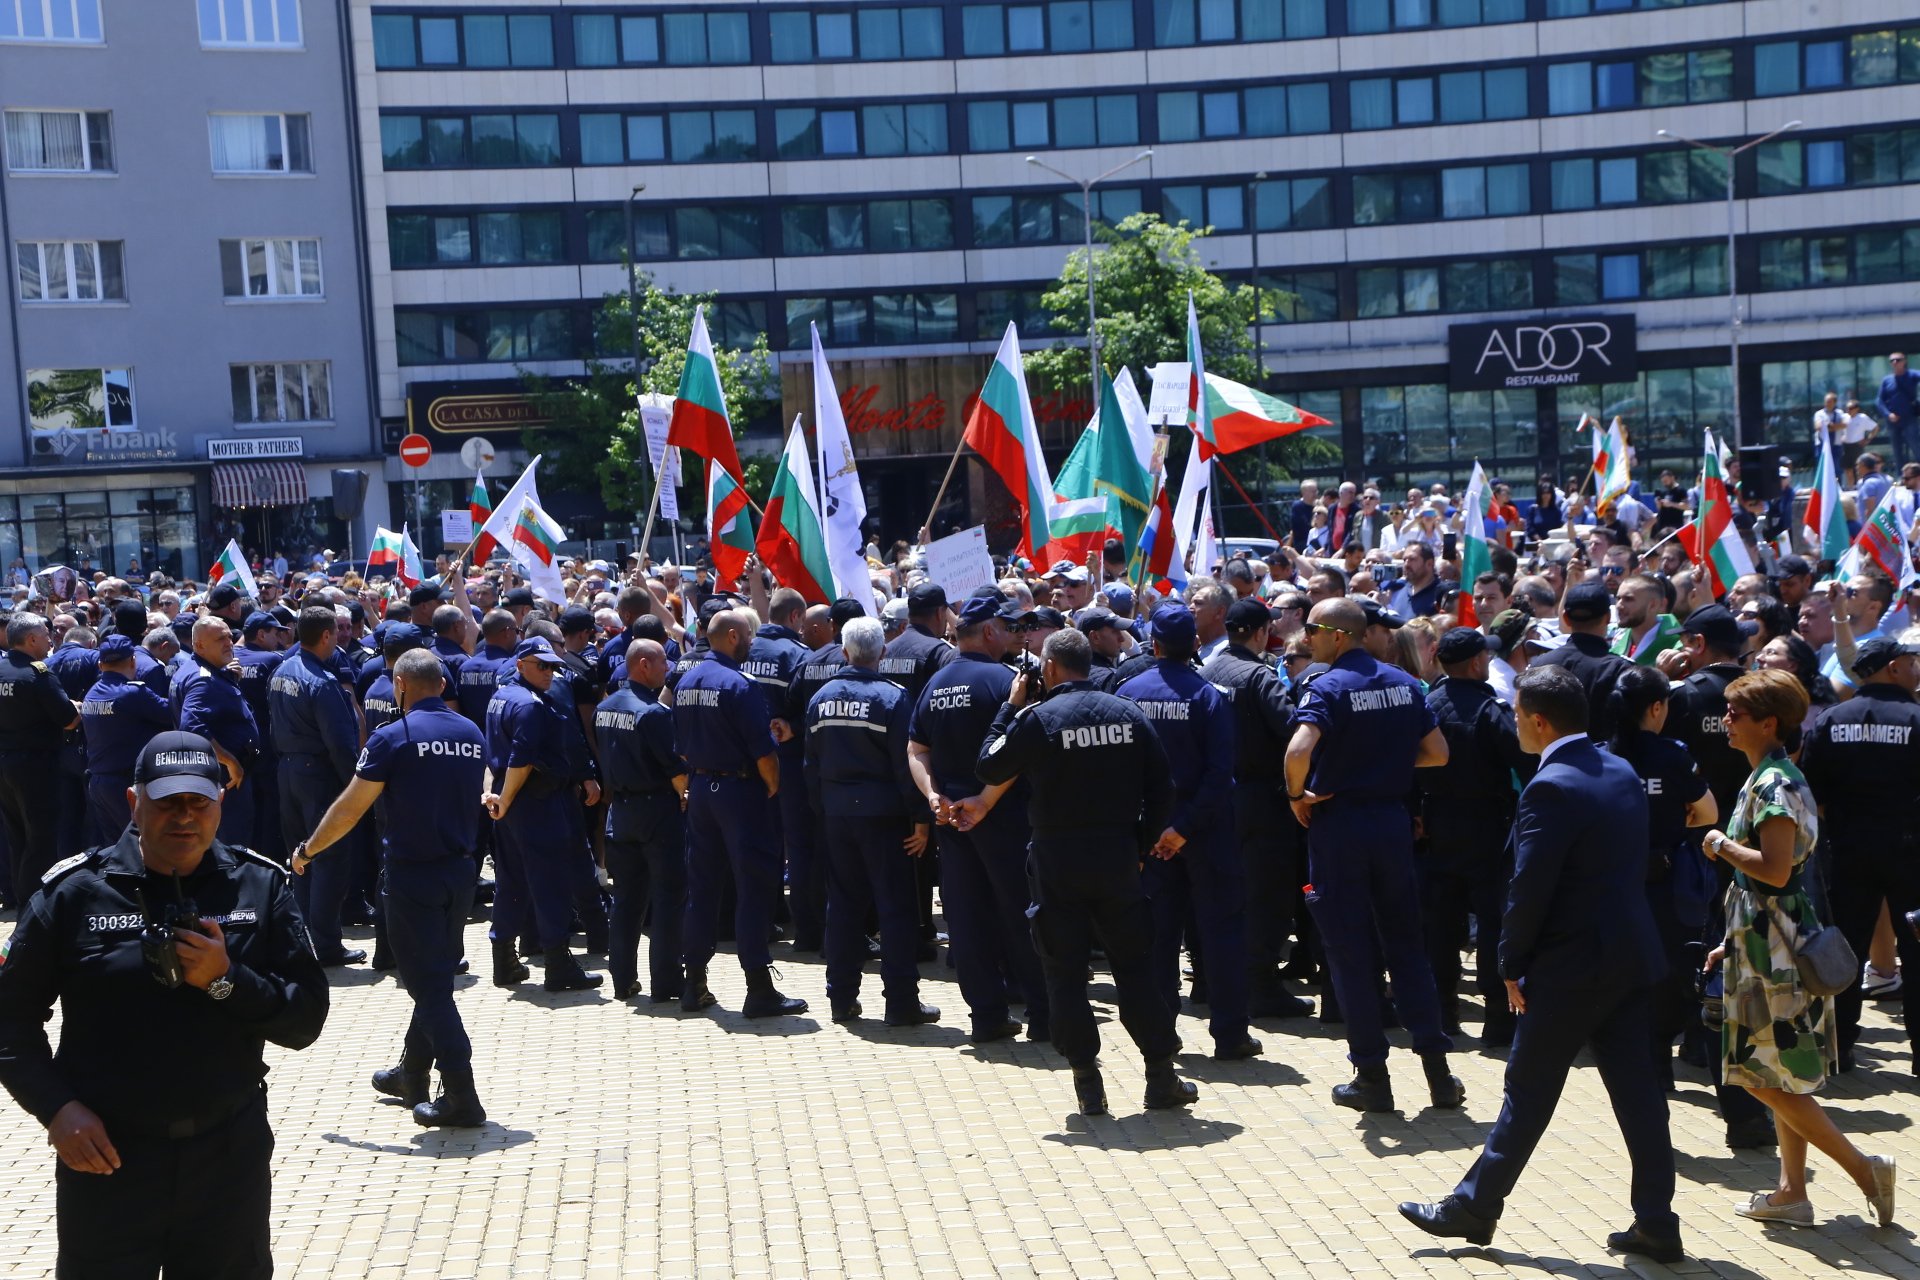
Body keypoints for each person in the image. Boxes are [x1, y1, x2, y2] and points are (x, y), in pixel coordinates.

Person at [0, 731, 328, 1276]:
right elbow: (8, 1020)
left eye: (198, 802)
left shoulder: (258, 887)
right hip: (107, 1160)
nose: (184, 817)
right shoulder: (74, 892)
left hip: (227, 1160)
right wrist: (56, 1110)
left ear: (219, 804)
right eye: (167, 802)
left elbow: (305, 1020)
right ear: (134, 802)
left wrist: (225, 980)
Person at [1398, 666, 1681, 1263]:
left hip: (1570, 965)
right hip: (1629, 957)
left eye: (1518, 713)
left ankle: (1474, 1207)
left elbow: (1530, 886)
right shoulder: (1621, 770)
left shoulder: (1551, 785)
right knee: (1640, 1095)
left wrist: (1509, 962)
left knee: (1527, 1093)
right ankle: (1657, 1220)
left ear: (1538, 720)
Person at [1701, 669, 1897, 1229]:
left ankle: (1864, 1171)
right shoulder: (1768, 775)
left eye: (1738, 713)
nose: (1728, 720)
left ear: (1771, 723)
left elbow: (1776, 870)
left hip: (1775, 954)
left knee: (1764, 1078)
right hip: (1763, 943)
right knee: (1778, 1074)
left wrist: (1720, 843)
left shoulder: (1775, 785)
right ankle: (1792, 1192)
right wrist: (1726, 941)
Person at [976, 626, 1195, 1116]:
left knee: (1064, 972)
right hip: (1118, 858)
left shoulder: (1038, 717)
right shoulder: (1127, 713)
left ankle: (1087, 1084)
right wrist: (1139, 845)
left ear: (1050, 668)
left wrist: (1010, 706)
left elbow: (988, 767)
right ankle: (1161, 1076)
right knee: (1135, 969)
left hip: (1057, 861)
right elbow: (1164, 789)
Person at [293, 649, 489, 1127]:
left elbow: (349, 809)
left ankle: (461, 1094)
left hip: (411, 876)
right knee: (436, 977)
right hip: (460, 873)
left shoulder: (390, 738)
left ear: (400, 686)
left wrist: (308, 850)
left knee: (428, 988)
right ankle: (411, 1072)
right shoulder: (471, 733)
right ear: (441, 685)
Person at [1285, 598, 1462, 1112]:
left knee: (1349, 954)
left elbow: (1298, 751)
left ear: (1338, 637)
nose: (1306, 637)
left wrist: (1296, 795)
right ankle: (1440, 1076)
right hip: (1390, 825)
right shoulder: (1405, 684)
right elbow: (1438, 754)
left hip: (1340, 827)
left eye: (1313, 629)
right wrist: (1383, 764)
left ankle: (1371, 1078)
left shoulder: (1327, 686)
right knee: (1407, 949)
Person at [1115, 603, 1258, 1058]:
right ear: (1196, 644)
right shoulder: (1209, 696)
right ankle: (1230, 1035)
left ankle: (1162, 1034)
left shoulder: (1127, 692)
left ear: (1153, 644)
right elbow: (1221, 776)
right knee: (1222, 934)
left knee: (1157, 938)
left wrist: (1156, 828)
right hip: (1206, 831)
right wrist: (1185, 827)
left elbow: (1118, 772)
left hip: (1150, 834)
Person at [907, 593, 1047, 1043]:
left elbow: (916, 750)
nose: (1014, 636)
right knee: (1022, 914)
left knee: (965, 918)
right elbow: (1022, 751)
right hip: (1000, 818)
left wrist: (934, 797)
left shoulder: (935, 683)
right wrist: (983, 800)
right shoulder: (1006, 682)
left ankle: (986, 1017)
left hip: (952, 819)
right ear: (989, 632)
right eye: (1008, 628)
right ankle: (1043, 1016)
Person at [1797, 635, 1920, 1075]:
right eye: (1911, 661)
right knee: (1917, 946)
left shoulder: (1832, 719)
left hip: (1847, 850)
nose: (1916, 668)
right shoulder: (1917, 719)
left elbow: (1813, 791)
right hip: (1910, 852)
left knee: (1844, 948)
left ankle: (1839, 1047)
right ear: (1892, 667)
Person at [673, 609, 805, 1018]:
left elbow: (679, 746)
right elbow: (764, 753)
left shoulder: (685, 680)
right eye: (747, 635)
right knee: (754, 887)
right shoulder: (739, 684)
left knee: (703, 889)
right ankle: (759, 987)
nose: (751, 642)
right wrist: (771, 784)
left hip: (702, 790)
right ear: (731, 636)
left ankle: (693, 982)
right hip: (739, 792)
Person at [806, 616, 936, 1026]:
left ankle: (841, 999)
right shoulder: (893, 698)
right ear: (883, 653)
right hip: (883, 818)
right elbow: (906, 766)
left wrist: (821, 812)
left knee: (843, 907)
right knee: (895, 909)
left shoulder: (820, 698)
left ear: (844, 652)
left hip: (837, 816)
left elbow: (811, 766)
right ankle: (901, 1002)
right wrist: (920, 820)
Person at [1606, 666, 1718, 1087]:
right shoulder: (1673, 755)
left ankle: (1644, 1070)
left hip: (1615, 886)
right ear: (1656, 708)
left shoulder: (1604, 755)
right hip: (1665, 887)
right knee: (1673, 976)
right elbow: (1708, 814)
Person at [1201, 596, 1313, 1020]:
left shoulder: (1208, 671)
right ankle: (1261, 986)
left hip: (1216, 798)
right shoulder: (1259, 677)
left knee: (1223, 892)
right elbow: (1294, 731)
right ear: (1262, 632)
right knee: (1268, 894)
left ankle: (1215, 981)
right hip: (1261, 802)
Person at [1417, 628, 1527, 1047]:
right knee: (1494, 923)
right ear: (1478, 662)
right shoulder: (1490, 710)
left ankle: (1443, 1014)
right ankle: (1498, 1020)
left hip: (1436, 824)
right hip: (1486, 828)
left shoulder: (1427, 705)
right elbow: (1525, 757)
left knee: (1441, 925)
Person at [482, 637, 603, 993]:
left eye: (552, 666)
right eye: (541, 665)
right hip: (535, 803)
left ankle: (504, 960)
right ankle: (557, 964)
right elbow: (521, 759)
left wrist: (492, 794)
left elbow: (492, 755)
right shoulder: (530, 705)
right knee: (549, 883)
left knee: (512, 882)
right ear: (520, 665)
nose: (550, 672)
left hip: (510, 805)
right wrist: (501, 797)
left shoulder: (500, 697)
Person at [594, 638, 689, 1003]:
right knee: (667, 899)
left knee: (627, 899)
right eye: (664, 662)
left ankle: (622, 979)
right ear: (644, 664)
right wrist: (684, 793)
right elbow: (673, 768)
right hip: (657, 812)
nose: (668, 670)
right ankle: (666, 982)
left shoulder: (606, 707)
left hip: (620, 813)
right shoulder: (654, 713)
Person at [269, 605, 364, 967]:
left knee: (301, 855)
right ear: (325, 635)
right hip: (318, 775)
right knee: (329, 855)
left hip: (288, 770)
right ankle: (326, 944)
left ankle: (304, 935)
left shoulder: (282, 670)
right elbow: (340, 744)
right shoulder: (322, 683)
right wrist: (353, 788)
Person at [0, 612, 81, 905]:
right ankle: (35, 905)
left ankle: (21, 901)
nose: (50, 640)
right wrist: (76, 706)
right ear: (31, 639)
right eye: (46, 635)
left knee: (17, 835)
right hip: (36, 765)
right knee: (41, 838)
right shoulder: (39, 673)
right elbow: (69, 720)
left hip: (5, 762)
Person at [78, 633, 176, 847]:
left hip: (99, 782)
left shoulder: (93, 693)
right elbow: (172, 712)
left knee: (114, 848)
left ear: (100, 664)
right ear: (133, 660)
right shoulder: (132, 692)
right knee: (143, 845)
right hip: (124, 784)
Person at [173, 615, 260, 849]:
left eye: (230, 637)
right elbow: (192, 727)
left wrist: (228, 680)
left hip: (216, 778)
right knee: (231, 848)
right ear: (199, 645)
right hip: (223, 780)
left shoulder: (203, 671)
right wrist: (230, 761)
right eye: (220, 639)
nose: (229, 643)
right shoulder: (203, 679)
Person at [1527, 581, 1632, 736]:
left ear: (1566, 618)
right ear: (1608, 617)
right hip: (1602, 758)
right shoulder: (1621, 670)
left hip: (1550, 758)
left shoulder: (1539, 664)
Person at [1877, 352, 1918, 465]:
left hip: (1909, 418)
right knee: (1897, 451)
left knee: (1916, 447)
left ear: (1904, 361)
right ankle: (1902, 477)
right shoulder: (1887, 380)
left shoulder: (1912, 375)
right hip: (1893, 420)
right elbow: (1880, 401)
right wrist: (1888, 414)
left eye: (1898, 360)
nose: (1895, 362)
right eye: (1892, 360)